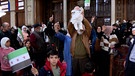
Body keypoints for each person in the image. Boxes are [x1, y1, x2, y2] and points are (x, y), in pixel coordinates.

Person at [68, 6, 92, 76]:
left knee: (84, 74)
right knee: (75, 73)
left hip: (84, 58)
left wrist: (82, 17)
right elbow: (69, 27)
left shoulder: (86, 34)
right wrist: (73, 17)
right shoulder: (73, 33)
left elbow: (89, 27)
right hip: (75, 58)